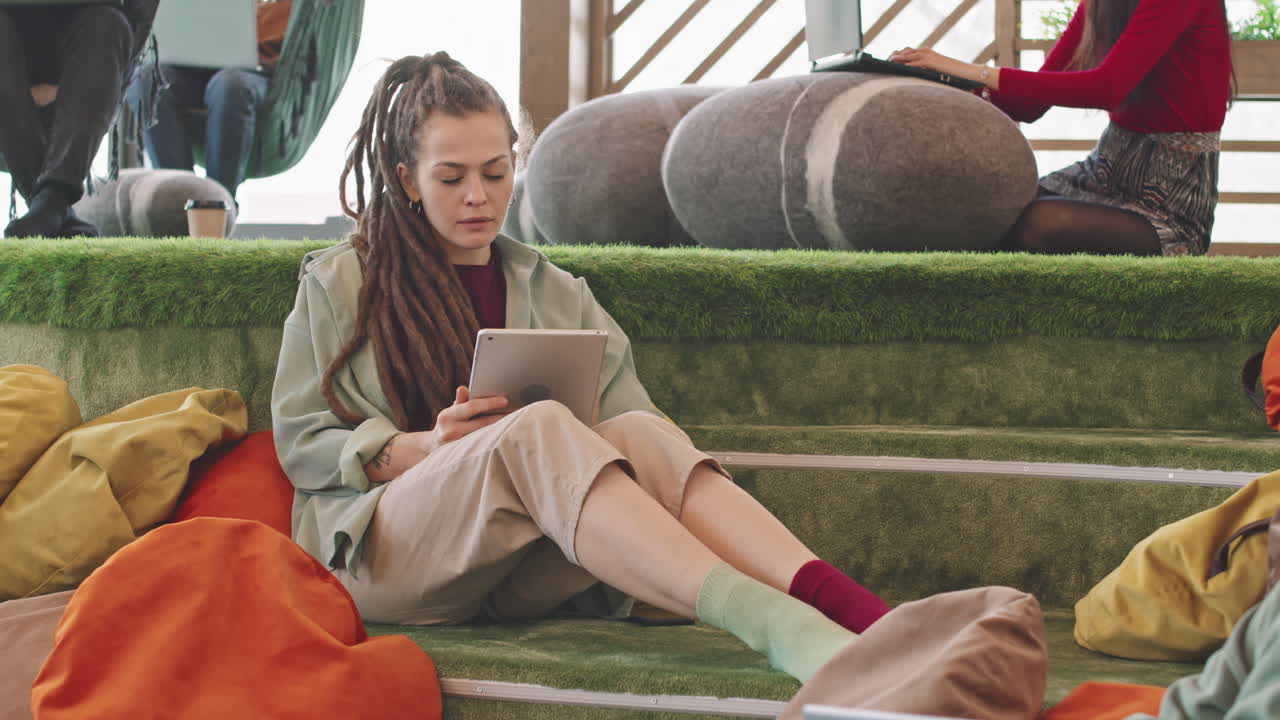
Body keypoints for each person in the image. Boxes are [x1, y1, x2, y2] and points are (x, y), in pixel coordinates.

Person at [271, 52, 891, 683]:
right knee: (534, 427)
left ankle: (858, 612)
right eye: (451, 177)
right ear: (408, 180)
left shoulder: (559, 292)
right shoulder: (340, 284)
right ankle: (771, 622)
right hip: (385, 560)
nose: (478, 196)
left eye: (495, 170)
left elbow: (643, 437)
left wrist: (580, 442)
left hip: (521, 566)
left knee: (643, 434)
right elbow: (302, 443)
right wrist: (426, 448)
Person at [890, 0, 1233, 256]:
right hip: (1105, 172)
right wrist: (939, 84)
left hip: (1169, 204)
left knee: (1037, 223)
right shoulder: (1100, 5)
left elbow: (1106, 88)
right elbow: (1028, 106)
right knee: (991, 205)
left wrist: (973, 71)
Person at [0, 1, 152, 239]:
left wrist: (110, 82)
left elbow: (140, 15)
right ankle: (52, 207)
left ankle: (52, 201)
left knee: (110, 23)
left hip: (91, 46)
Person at [125, 0, 292, 200]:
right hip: (191, 65)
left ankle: (218, 205)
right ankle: (177, 199)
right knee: (147, 82)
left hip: (258, 71)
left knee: (229, 85)